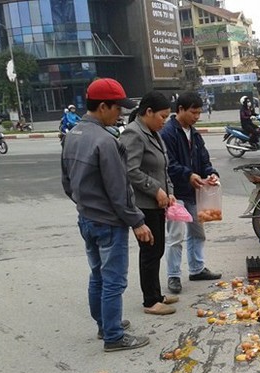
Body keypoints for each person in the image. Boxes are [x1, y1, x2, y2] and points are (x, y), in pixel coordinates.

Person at [61, 78, 152, 352]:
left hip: (86, 218)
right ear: (103, 107)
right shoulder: (105, 141)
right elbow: (119, 190)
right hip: (108, 223)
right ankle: (113, 336)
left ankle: (104, 324)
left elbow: (67, 183)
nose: (121, 114)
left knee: (97, 275)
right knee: (114, 279)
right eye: (117, 109)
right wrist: (137, 221)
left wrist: (84, 205)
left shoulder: (72, 135)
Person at [121, 91, 178, 315]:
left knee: (158, 248)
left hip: (158, 202)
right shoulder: (133, 134)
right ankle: (150, 301)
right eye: (162, 116)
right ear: (148, 112)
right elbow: (129, 170)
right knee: (150, 251)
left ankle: (157, 293)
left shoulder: (153, 133)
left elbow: (163, 168)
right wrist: (155, 190)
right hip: (144, 204)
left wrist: (169, 191)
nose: (164, 121)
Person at [161, 91, 222, 295]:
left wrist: (211, 173)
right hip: (175, 193)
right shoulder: (168, 133)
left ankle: (196, 269)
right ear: (180, 110)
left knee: (197, 232)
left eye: (199, 113)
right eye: (193, 112)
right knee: (176, 236)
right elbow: (168, 164)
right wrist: (188, 175)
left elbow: (204, 160)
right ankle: (174, 276)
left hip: (194, 193)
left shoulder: (194, 133)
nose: (197, 116)